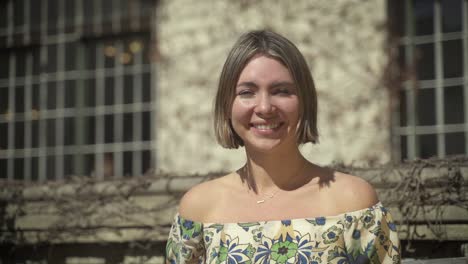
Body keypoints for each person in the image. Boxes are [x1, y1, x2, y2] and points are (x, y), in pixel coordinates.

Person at [166, 30, 401, 264]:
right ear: (227, 105)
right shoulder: (199, 210)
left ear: (303, 101)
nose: (265, 107)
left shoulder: (353, 204)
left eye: (281, 91)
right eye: (247, 92)